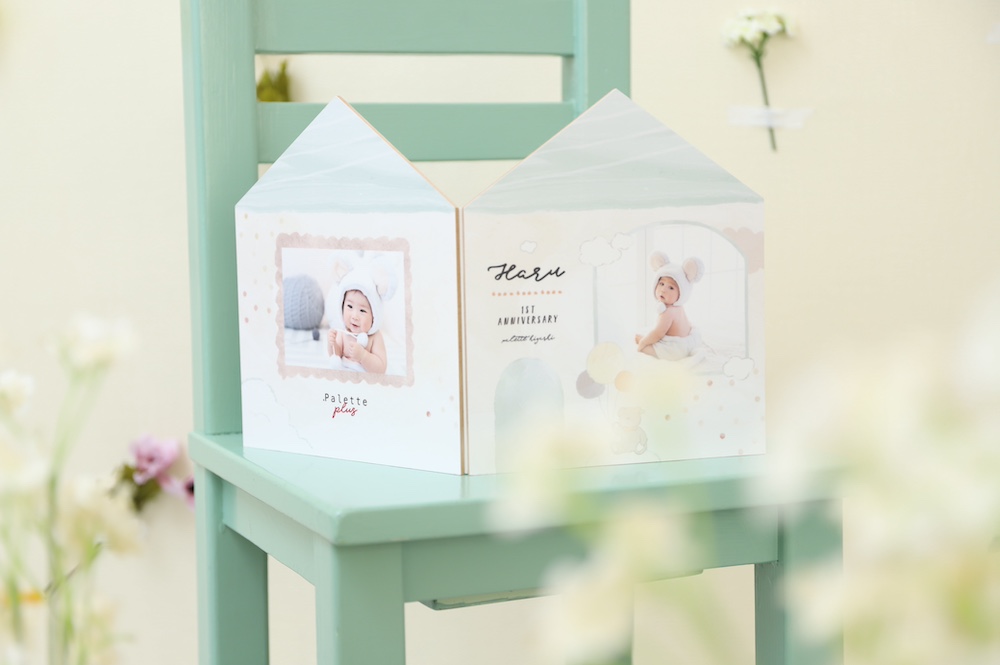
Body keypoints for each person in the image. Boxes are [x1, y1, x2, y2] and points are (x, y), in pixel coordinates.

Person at [635, 252, 704, 361]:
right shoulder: (679, 307)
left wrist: (643, 342)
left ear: (681, 292)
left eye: (671, 288)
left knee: (643, 344)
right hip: (689, 341)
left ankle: (643, 345)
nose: (663, 290)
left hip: (675, 350)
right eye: (661, 284)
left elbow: (657, 333)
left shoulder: (667, 312)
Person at [327, 266, 389, 373]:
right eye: (350, 306)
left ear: (374, 315)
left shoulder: (375, 337)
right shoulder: (343, 332)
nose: (354, 316)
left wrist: (363, 356)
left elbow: (381, 369)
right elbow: (336, 355)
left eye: (362, 311)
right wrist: (332, 344)